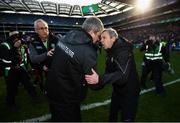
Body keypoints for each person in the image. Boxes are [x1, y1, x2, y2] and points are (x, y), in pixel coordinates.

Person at [45, 17, 104, 121]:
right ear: (93, 32)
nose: (99, 40)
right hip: (68, 96)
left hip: (52, 89)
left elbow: (54, 57)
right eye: (99, 36)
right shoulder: (88, 50)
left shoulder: (64, 38)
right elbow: (93, 83)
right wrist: (103, 80)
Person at [85, 28, 140, 121]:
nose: (101, 40)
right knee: (112, 116)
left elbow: (122, 76)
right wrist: (93, 83)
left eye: (104, 38)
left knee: (127, 119)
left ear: (113, 38)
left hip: (130, 92)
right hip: (118, 90)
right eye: (100, 38)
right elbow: (108, 74)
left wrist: (99, 79)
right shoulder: (111, 52)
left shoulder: (123, 51)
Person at [0, 31, 37, 110]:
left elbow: (24, 47)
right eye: (15, 37)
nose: (18, 39)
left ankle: (34, 96)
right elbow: (8, 59)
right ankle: (10, 104)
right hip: (10, 70)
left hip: (20, 67)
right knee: (11, 88)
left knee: (28, 82)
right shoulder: (4, 45)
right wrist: (14, 48)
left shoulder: (19, 43)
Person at [29, 19, 59, 92]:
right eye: (41, 28)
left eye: (46, 28)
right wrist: (46, 54)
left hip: (56, 69)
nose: (45, 30)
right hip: (41, 70)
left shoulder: (56, 39)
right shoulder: (32, 43)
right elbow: (33, 59)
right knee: (46, 87)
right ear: (36, 30)